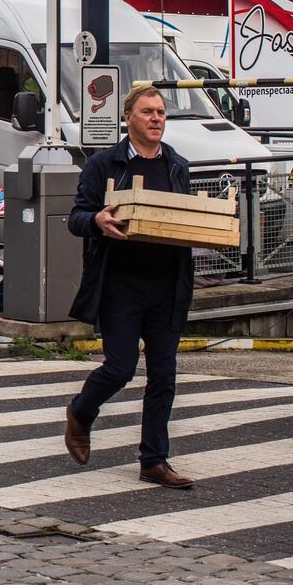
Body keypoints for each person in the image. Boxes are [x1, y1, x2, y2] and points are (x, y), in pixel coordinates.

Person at [63, 85, 197, 489]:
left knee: (164, 376)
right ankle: (81, 413)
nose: (157, 119)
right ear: (128, 118)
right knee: (119, 369)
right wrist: (96, 222)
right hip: (120, 284)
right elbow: (75, 216)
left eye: (161, 113)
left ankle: (153, 460)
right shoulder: (104, 164)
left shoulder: (178, 165)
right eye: (147, 112)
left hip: (166, 284)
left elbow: (184, 217)